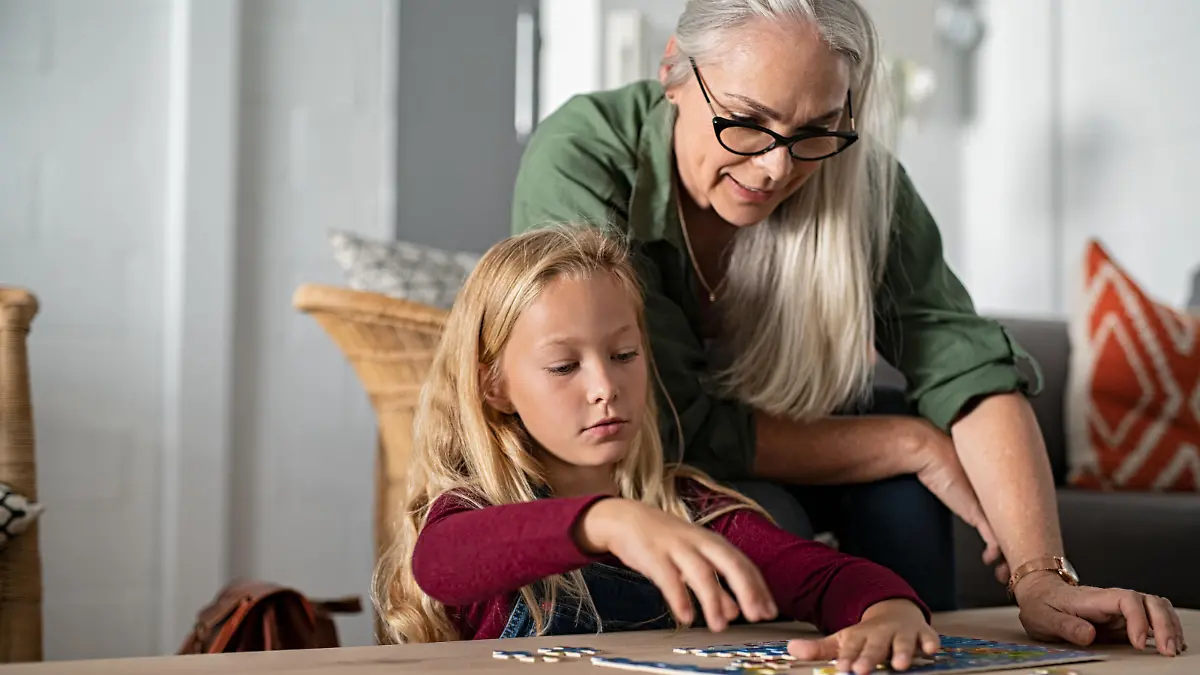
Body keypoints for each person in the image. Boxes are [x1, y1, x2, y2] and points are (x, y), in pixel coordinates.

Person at [510, 0, 1186, 656]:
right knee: (775, 514)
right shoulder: (583, 154)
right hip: (640, 466)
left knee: (901, 499)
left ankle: (928, 653)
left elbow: (969, 369)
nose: (778, 168)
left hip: (775, 428)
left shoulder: (860, 181)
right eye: (746, 122)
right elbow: (659, 419)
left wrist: (1041, 575)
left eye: (815, 130)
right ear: (674, 74)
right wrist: (910, 441)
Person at [372, 224, 943, 675]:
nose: (605, 387)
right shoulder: (471, 514)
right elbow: (440, 564)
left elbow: (823, 578)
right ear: (495, 386)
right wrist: (606, 521)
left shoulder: (692, 510)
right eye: (564, 366)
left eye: (623, 354)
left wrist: (888, 611)